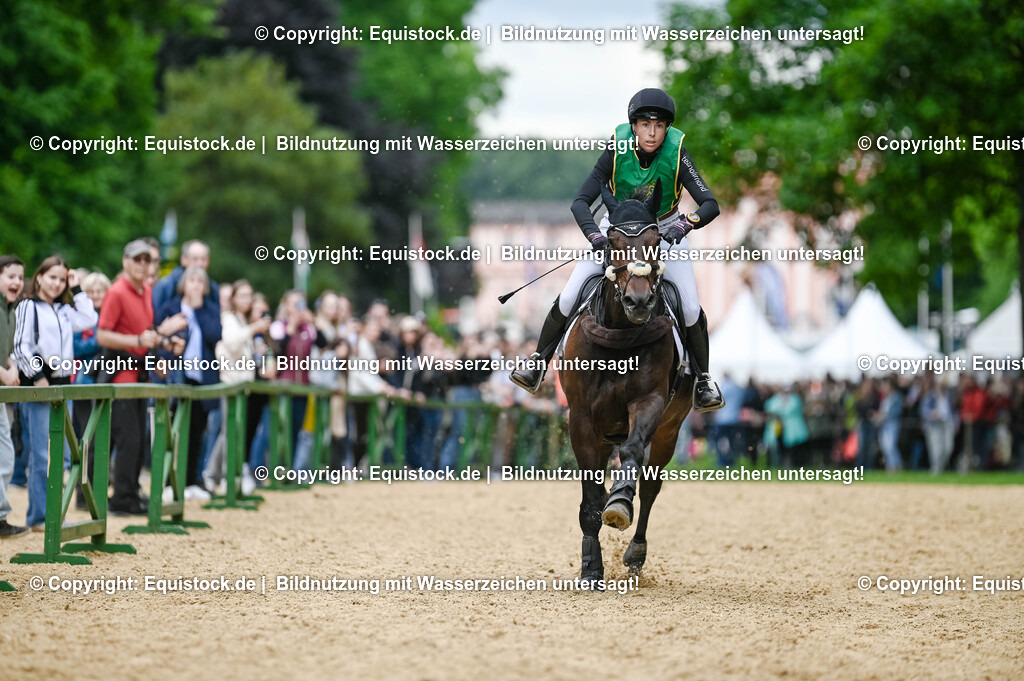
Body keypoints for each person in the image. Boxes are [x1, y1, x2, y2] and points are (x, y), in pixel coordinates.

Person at [510, 88, 724, 412]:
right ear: (634, 127)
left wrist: (685, 224)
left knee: (691, 308)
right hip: (617, 233)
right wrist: (597, 237)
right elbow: (580, 202)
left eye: (659, 126)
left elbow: (710, 204)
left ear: (667, 129)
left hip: (663, 231)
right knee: (569, 296)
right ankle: (538, 361)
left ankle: (704, 379)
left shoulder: (677, 153)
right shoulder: (616, 148)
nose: (652, 132)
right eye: (645, 124)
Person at [97, 239, 187, 515]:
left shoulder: (145, 291)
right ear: (125, 261)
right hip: (120, 373)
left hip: (139, 371)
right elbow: (103, 335)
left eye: (147, 260)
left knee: (138, 439)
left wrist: (160, 351)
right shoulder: (116, 291)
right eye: (138, 259)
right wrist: (137, 339)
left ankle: (131, 492)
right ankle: (121, 498)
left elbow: (145, 332)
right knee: (129, 438)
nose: (143, 265)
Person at [13, 255, 98, 530]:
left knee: (62, 454)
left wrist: (77, 288)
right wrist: (37, 377)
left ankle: (55, 513)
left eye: (62, 279)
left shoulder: (62, 310)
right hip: (40, 385)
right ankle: (38, 517)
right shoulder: (28, 306)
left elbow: (89, 318)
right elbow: (22, 346)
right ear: (39, 277)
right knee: (40, 453)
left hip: (64, 385)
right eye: (53, 277)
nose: (57, 284)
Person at [155, 266, 222, 499]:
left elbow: (215, 335)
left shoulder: (210, 310)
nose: (195, 285)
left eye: (200, 282)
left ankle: (190, 480)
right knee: (171, 432)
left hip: (200, 379)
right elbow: (158, 338)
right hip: (176, 377)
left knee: (197, 431)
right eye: (192, 280)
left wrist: (199, 310)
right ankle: (166, 482)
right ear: (184, 283)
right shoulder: (170, 307)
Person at [0, 255, 27, 536]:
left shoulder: (11, 309)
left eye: (20, 277)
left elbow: (6, 351)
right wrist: (3, 372)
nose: (16, 282)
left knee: (6, 455)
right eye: (10, 276)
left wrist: (13, 365)